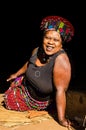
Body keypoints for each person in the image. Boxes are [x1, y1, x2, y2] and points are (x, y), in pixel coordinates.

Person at [4, 15, 74, 127]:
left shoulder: (61, 61)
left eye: (56, 40)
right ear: (43, 38)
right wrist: (16, 74)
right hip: (26, 85)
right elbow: (29, 63)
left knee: (9, 100)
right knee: (13, 83)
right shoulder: (37, 50)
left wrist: (62, 119)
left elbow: (61, 90)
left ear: (61, 43)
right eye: (47, 38)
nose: (50, 42)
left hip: (36, 99)